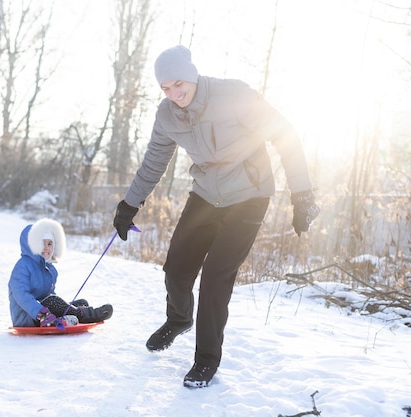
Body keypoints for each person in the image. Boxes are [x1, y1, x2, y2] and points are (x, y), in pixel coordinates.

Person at [112, 45, 320, 388]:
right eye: (165, 88)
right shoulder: (167, 115)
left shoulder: (234, 94)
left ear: (192, 74)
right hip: (206, 194)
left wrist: (302, 193)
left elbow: (286, 136)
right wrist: (129, 205)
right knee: (177, 268)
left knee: (215, 279)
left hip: (249, 196)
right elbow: (154, 162)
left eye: (179, 83)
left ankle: (206, 360)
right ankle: (179, 319)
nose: (174, 93)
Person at [8, 218, 113, 327]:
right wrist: (42, 314)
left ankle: (68, 318)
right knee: (53, 302)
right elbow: (22, 296)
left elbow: (50, 295)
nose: (46, 248)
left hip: (45, 315)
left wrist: (57, 310)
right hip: (28, 318)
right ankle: (85, 315)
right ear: (32, 245)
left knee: (82, 302)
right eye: (42, 243)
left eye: (49, 244)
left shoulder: (50, 269)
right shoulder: (22, 266)